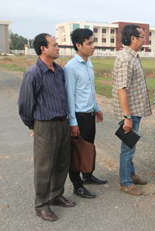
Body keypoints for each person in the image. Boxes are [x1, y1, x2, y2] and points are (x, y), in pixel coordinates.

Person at [18, 33, 75, 221]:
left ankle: (56, 195)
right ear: (43, 48)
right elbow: (25, 105)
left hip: (62, 123)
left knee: (62, 162)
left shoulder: (58, 70)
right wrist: (33, 126)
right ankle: (41, 204)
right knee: (44, 167)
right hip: (45, 126)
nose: (58, 48)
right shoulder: (33, 73)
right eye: (55, 45)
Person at [64, 28, 106, 199]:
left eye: (92, 42)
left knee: (88, 148)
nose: (93, 46)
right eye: (89, 43)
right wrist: (72, 122)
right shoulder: (70, 67)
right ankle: (77, 186)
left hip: (89, 115)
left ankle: (87, 175)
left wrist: (97, 108)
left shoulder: (89, 63)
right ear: (78, 45)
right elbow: (69, 96)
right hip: (79, 117)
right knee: (76, 152)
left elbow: (90, 90)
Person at [112, 24, 151, 195]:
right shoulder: (126, 58)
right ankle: (125, 183)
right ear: (133, 38)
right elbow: (122, 89)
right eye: (142, 36)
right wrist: (127, 116)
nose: (145, 40)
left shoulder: (133, 56)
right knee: (127, 148)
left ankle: (131, 174)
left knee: (131, 144)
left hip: (134, 110)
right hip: (129, 112)